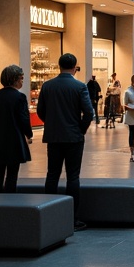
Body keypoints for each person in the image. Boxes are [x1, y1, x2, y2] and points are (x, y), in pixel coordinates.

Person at [37, 53, 94, 231]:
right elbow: (89, 112)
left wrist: (52, 123)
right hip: (73, 137)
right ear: (74, 67)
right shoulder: (79, 86)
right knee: (73, 176)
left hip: (54, 136)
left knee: (52, 175)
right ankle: (72, 218)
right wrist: (81, 128)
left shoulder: (48, 86)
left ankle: (49, 214)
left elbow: (40, 111)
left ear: (59, 66)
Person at [0, 64, 33, 193]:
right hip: (14, 138)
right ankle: (10, 199)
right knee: (12, 174)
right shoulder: (19, 97)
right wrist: (28, 133)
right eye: (21, 78)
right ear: (15, 79)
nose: (22, 81)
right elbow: (23, 118)